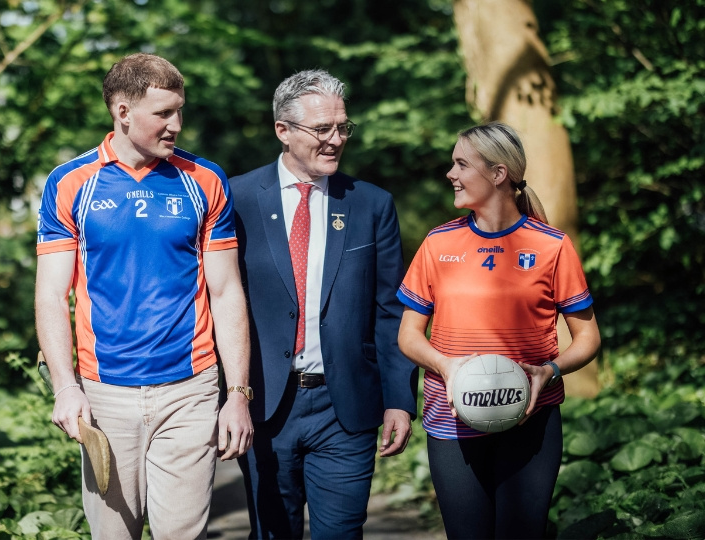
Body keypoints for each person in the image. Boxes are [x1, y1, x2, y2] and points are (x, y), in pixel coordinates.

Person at [34, 53, 253, 540]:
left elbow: (226, 290)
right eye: (163, 113)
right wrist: (65, 388)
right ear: (122, 111)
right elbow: (51, 295)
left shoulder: (206, 181)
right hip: (104, 392)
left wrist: (237, 392)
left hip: (191, 389)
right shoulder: (70, 183)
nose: (176, 125)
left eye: (180, 111)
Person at [229, 69, 418, 539]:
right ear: (283, 131)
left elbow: (389, 310)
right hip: (264, 406)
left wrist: (399, 399)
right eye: (322, 129)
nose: (336, 139)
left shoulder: (371, 205)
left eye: (342, 127)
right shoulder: (235, 199)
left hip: (345, 407)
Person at [397, 122, 601, 539]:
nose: (450, 173)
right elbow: (409, 336)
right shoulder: (438, 244)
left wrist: (550, 370)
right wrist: (446, 365)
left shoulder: (551, 245)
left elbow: (588, 338)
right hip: (452, 424)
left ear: (498, 173)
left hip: (531, 421)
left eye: (460, 164)